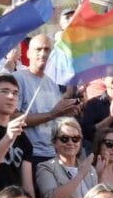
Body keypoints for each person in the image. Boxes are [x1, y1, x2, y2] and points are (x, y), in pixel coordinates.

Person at [16, 34, 79, 164]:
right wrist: (52, 114)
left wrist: (66, 113)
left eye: (47, 50)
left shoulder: (53, 82)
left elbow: (55, 117)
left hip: (52, 154)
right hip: (27, 154)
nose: (43, 53)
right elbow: (12, 118)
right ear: (28, 53)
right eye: (38, 49)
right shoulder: (17, 79)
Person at [35, 117, 98, 198]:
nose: (70, 143)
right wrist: (79, 176)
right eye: (64, 138)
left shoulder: (89, 169)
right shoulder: (46, 167)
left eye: (75, 139)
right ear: (54, 142)